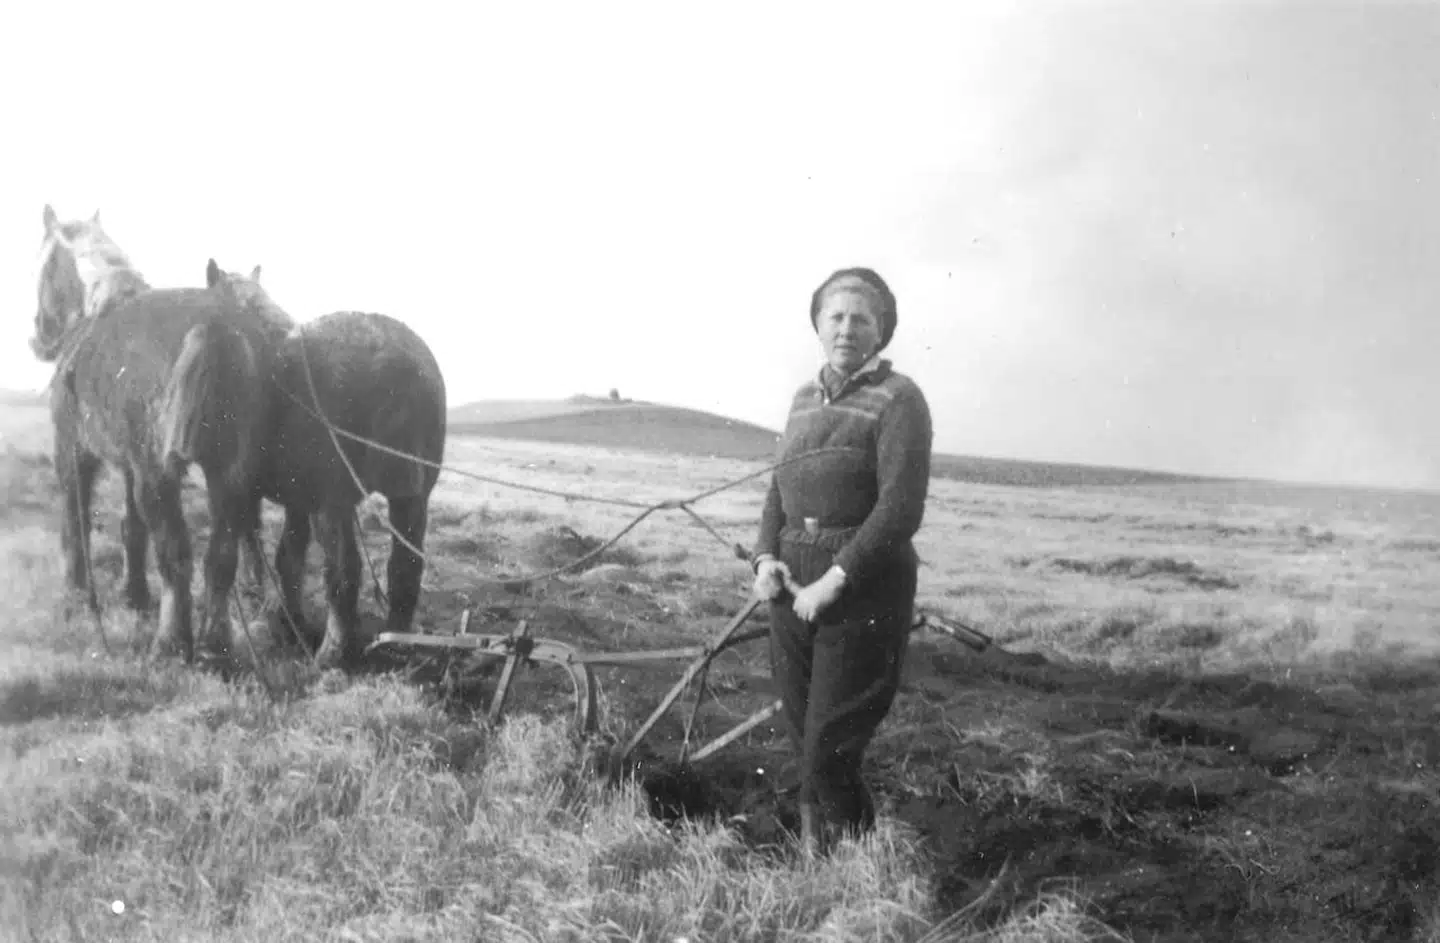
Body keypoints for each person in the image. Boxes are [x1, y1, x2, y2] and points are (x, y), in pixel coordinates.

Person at [751, 266, 933, 854]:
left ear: (882, 331)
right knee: (803, 731)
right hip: (792, 580)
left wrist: (835, 579)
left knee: (831, 741)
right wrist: (764, 560)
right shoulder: (804, 399)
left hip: (862, 587)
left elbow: (900, 509)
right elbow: (779, 490)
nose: (847, 328)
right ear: (818, 324)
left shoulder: (900, 399)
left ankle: (858, 863)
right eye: (836, 316)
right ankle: (815, 855)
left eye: (862, 318)